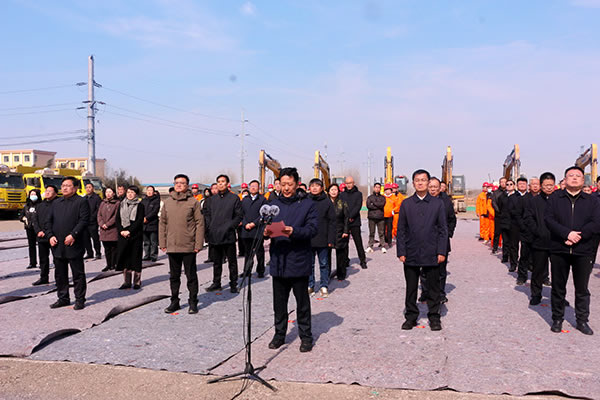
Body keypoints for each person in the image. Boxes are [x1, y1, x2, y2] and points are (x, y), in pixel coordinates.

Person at [264, 167, 318, 352]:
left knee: (302, 303)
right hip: (279, 260)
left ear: (296, 184)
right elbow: (263, 225)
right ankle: (279, 335)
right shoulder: (273, 204)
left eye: (290, 184)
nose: (286, 188)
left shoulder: (307, 204)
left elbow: (312, 229)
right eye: (283, 184)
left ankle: (306, 337)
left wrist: (294, 231)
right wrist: (265, 232)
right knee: (279, 303)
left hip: (298, 260)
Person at [545, 166, 600, 335]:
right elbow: (549, 219)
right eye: (571, 175)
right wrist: (566, 234)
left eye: (578, 176)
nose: (574, 178)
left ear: (583, 180)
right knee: (558, 287)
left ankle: (582, 320)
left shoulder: (592, 201)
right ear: (565, 179)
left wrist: (578, 237)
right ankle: (557, 319)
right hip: (559, 249)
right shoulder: (555, 198)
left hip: (583, 250)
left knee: (582, 289)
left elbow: (596, 222)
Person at [397, 170, 448, 331]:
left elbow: (443, 230)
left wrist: (441, 251)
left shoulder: (437, 204)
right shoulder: (406, 204)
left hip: (431, 251)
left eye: (423, 180)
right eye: (417, 180)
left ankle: (434, 317)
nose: (420, 183)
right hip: (411, 251)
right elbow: (401, 230)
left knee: (433, 287)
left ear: (428, 182)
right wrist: (401, 252)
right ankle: (411, 316)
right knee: (411, 287)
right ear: (413, 183)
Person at [159, 174, 205, 314]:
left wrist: (198, 244)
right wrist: (162, 242)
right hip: (172, 245)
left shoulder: (193, 202)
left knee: (191, 276)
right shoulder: (167, 202)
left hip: (188, 245)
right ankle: (174, 301)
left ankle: (193, 302)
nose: (179, 185)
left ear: (187, 186)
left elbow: (199, 223)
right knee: (174, 276)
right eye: (176, 183)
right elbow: (162, 223)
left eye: (182, 183)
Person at [44, 177, 90, 310]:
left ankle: (80, 299)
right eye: (63, 185)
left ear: (75, 188)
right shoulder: (56, 203)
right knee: (60, 274)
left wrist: (73, 234)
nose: (64, 188)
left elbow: (84, 220)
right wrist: (50, 236)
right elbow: (48, 221)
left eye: (68, 185)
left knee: (77, 274)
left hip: (74, 243)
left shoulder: (81, 201)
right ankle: (63, 298)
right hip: (57, 244)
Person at [204, 174, 243, 293]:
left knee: (232, 261)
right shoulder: (211, 200)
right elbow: (207, 215)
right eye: (218, 182)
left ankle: (233, 283)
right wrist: (210, 227)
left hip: (228, 234)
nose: (220, 184)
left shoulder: (234, 198)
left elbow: (238, 216)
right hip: (215, 234)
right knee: (217, 262)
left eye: (223, 181)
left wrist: (230, 226)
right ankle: (216, 282)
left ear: (227, 184)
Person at [419, 177, 456, 304]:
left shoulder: (446, 202)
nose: (433, 189)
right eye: (431, 187)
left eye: (435, 187)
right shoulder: (422, 201)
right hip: (424, 241)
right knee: (424, 269)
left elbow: (452, 219)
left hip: (441, 241)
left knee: (441, 270)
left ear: (440, 188)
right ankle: (425, 293)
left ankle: (440, 293)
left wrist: (447, 234)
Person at [523, 172, 555, 306]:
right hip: (539, 241)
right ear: (541, 185)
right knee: (537, 270)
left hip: (556, 241)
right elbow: (528, 218)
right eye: (546, 185)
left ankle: (558, 296)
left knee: (559, 272)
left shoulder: (559, 200)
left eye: (551, 185)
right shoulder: (534, 201)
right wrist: (537, 231)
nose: (549, 187)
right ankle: (536, 294)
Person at [307, 178, 336, 297]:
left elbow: (332, 222)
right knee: (309, 264)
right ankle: (310, 285)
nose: (314, 188)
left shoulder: (327, 202)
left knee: (324, 263)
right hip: (308, 238)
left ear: (322, 188)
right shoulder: (306, 201)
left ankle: (324, 285)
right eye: (312, 186)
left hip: (323, 238)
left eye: (317, 186)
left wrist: (331, 239)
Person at [116, 186, 145, 290]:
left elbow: (139, 220)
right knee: (125, 258)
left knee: (136, 257)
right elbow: (117, 219)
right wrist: (121, 231)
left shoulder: (140, 205)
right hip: (123, 235)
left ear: (136, 194)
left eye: (132, 192)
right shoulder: (121, 204)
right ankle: (126, 281)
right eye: (128, 192)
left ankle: (137, 281)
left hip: (135, 235)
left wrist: (129, 231)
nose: (130, 194)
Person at [240, 180, 267, 278]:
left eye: (255, 186)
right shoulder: (245, 200)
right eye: (251, 186)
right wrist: (245, 224)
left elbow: (264, 214)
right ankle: (247, 271)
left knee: (259, 251)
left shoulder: (263, 200)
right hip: (246, 230)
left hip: (257, 229)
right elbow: (241, 214)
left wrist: (254, 223)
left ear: (258, 188)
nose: (253, 188)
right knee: (248, 252)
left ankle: (260, 270)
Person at [31, 185, 58, 285]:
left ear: (55, 193)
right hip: (41, 236)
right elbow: (35, 220)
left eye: (50, 191)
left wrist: (47, 232)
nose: (47, 192)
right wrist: (38, 231)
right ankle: (44, 277)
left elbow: (58, 221)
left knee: (57, 259)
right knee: (43, 258)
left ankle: (59, 278)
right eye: (46, 190)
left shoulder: (58, 204)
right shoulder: (40, 205)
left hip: (53, 236)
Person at [340, 176, 368, 269]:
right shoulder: (342, 194)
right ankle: (345, 260)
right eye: (347, 183)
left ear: (354, 183)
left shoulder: (358, 194)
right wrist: (345, 218)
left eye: (350, 183)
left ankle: (362, 260)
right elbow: (341, 207)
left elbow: (358, 206)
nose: (348, 185)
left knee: (358, 242)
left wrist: (350, 217)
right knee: (345, 243)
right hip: (344, 222)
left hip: (354, 221)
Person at [510, 177, 532, 284]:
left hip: (527, 227)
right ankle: (514, 264)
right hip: (515, 225)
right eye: (520, 184)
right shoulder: (512, 197)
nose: (522, 185)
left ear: (527, 185)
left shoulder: (531, 197)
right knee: (514, 246)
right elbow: (511, 210)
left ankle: (529, 267)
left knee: (526, 250)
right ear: (517, 186)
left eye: (524, 183)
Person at [328, 184, 350, 280]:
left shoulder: (343, 202)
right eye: (332, 190)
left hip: (340, 230)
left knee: (340, 253)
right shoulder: (325, 202)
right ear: (328, 191)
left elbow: (346, 218)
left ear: (338, 191)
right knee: (326, 254)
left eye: (335, 190)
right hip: (328, 231)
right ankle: (327, 274)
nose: (333, 192)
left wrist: (346, 230)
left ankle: (341, 274)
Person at [98, 187, 120, 272]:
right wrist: (101, 224)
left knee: (113, 248)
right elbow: (99, 215)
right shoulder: (102, 203)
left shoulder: (117, 203)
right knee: (106, 249)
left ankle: (114, 264)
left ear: (113, 193)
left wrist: (107, 224)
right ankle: (108, 264)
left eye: (110, 192)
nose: (108, 193)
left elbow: (116, 216)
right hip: (103, 229)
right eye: (107, 192)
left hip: (112, 229)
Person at [21, 189, 41, 269]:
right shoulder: (26, 206)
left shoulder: (41, 205)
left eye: (34, 194)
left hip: (39, 228)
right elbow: (21, 215)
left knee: (41, 246)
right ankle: (32, 262)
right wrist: (23, 218)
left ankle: (43, 263)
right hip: (29, 228)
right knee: (31, 246)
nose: (33, 196)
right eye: (31, 194)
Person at [498, 180, 516, 265]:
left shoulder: (517, 196)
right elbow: (499, 207)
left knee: (513, 243)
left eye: (511, 184)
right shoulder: (502, 196)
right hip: (504, 221)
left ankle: (513, 260)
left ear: (514, 186)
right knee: (505, 241)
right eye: (507, 184)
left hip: (513, 223)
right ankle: (505, 256)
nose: (509, 186)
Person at [141, 186, 160, 262]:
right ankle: (147, 255)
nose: (149, 192)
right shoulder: (143, 200)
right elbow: (140, 210)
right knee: (146, 241)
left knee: (153, 241)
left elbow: (155, 211)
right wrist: (142, 218)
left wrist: (147, 218)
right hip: (144, 224)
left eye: (151, 190)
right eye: (148, 190)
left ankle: (153, 255)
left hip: (152, 223)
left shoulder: (156, 200)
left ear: (153, 192)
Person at [366, 182, 386, 253]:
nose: (377, 189)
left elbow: (382, 205)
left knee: (381, 233)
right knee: (371, 233)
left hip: (380, 217)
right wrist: (377, 206)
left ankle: (383, 246)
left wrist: (373, 203)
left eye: (379, 187)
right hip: (372, 217)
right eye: (376, 187)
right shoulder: (370, 197)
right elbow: (369, 206)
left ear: (380, 189)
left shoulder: (383, 197)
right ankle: (370, 246)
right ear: (374, 188)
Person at [491, 177, 508, 253]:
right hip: (498, 215)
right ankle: (495, 247)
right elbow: (493, 203)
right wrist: (499, 211)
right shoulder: (496, 192)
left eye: (505, 182)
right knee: (497, 232)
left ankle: (506, 248)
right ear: (500, 183)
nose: (503, 183)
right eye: (502, 182)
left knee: (506, 234)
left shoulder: (509, 192)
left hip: (507, 216)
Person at [383, 184, 396, 248]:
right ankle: (383, 242)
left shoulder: (394, 197)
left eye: (389, 190)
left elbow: (397, 205)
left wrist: (393, 210)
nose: (387, 191)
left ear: (391, 191)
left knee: (389, 230)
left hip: (390, 216)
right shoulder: (382, 197)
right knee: (382, 230)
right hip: (382, 216)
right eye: (386, 190)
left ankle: (389, 242)